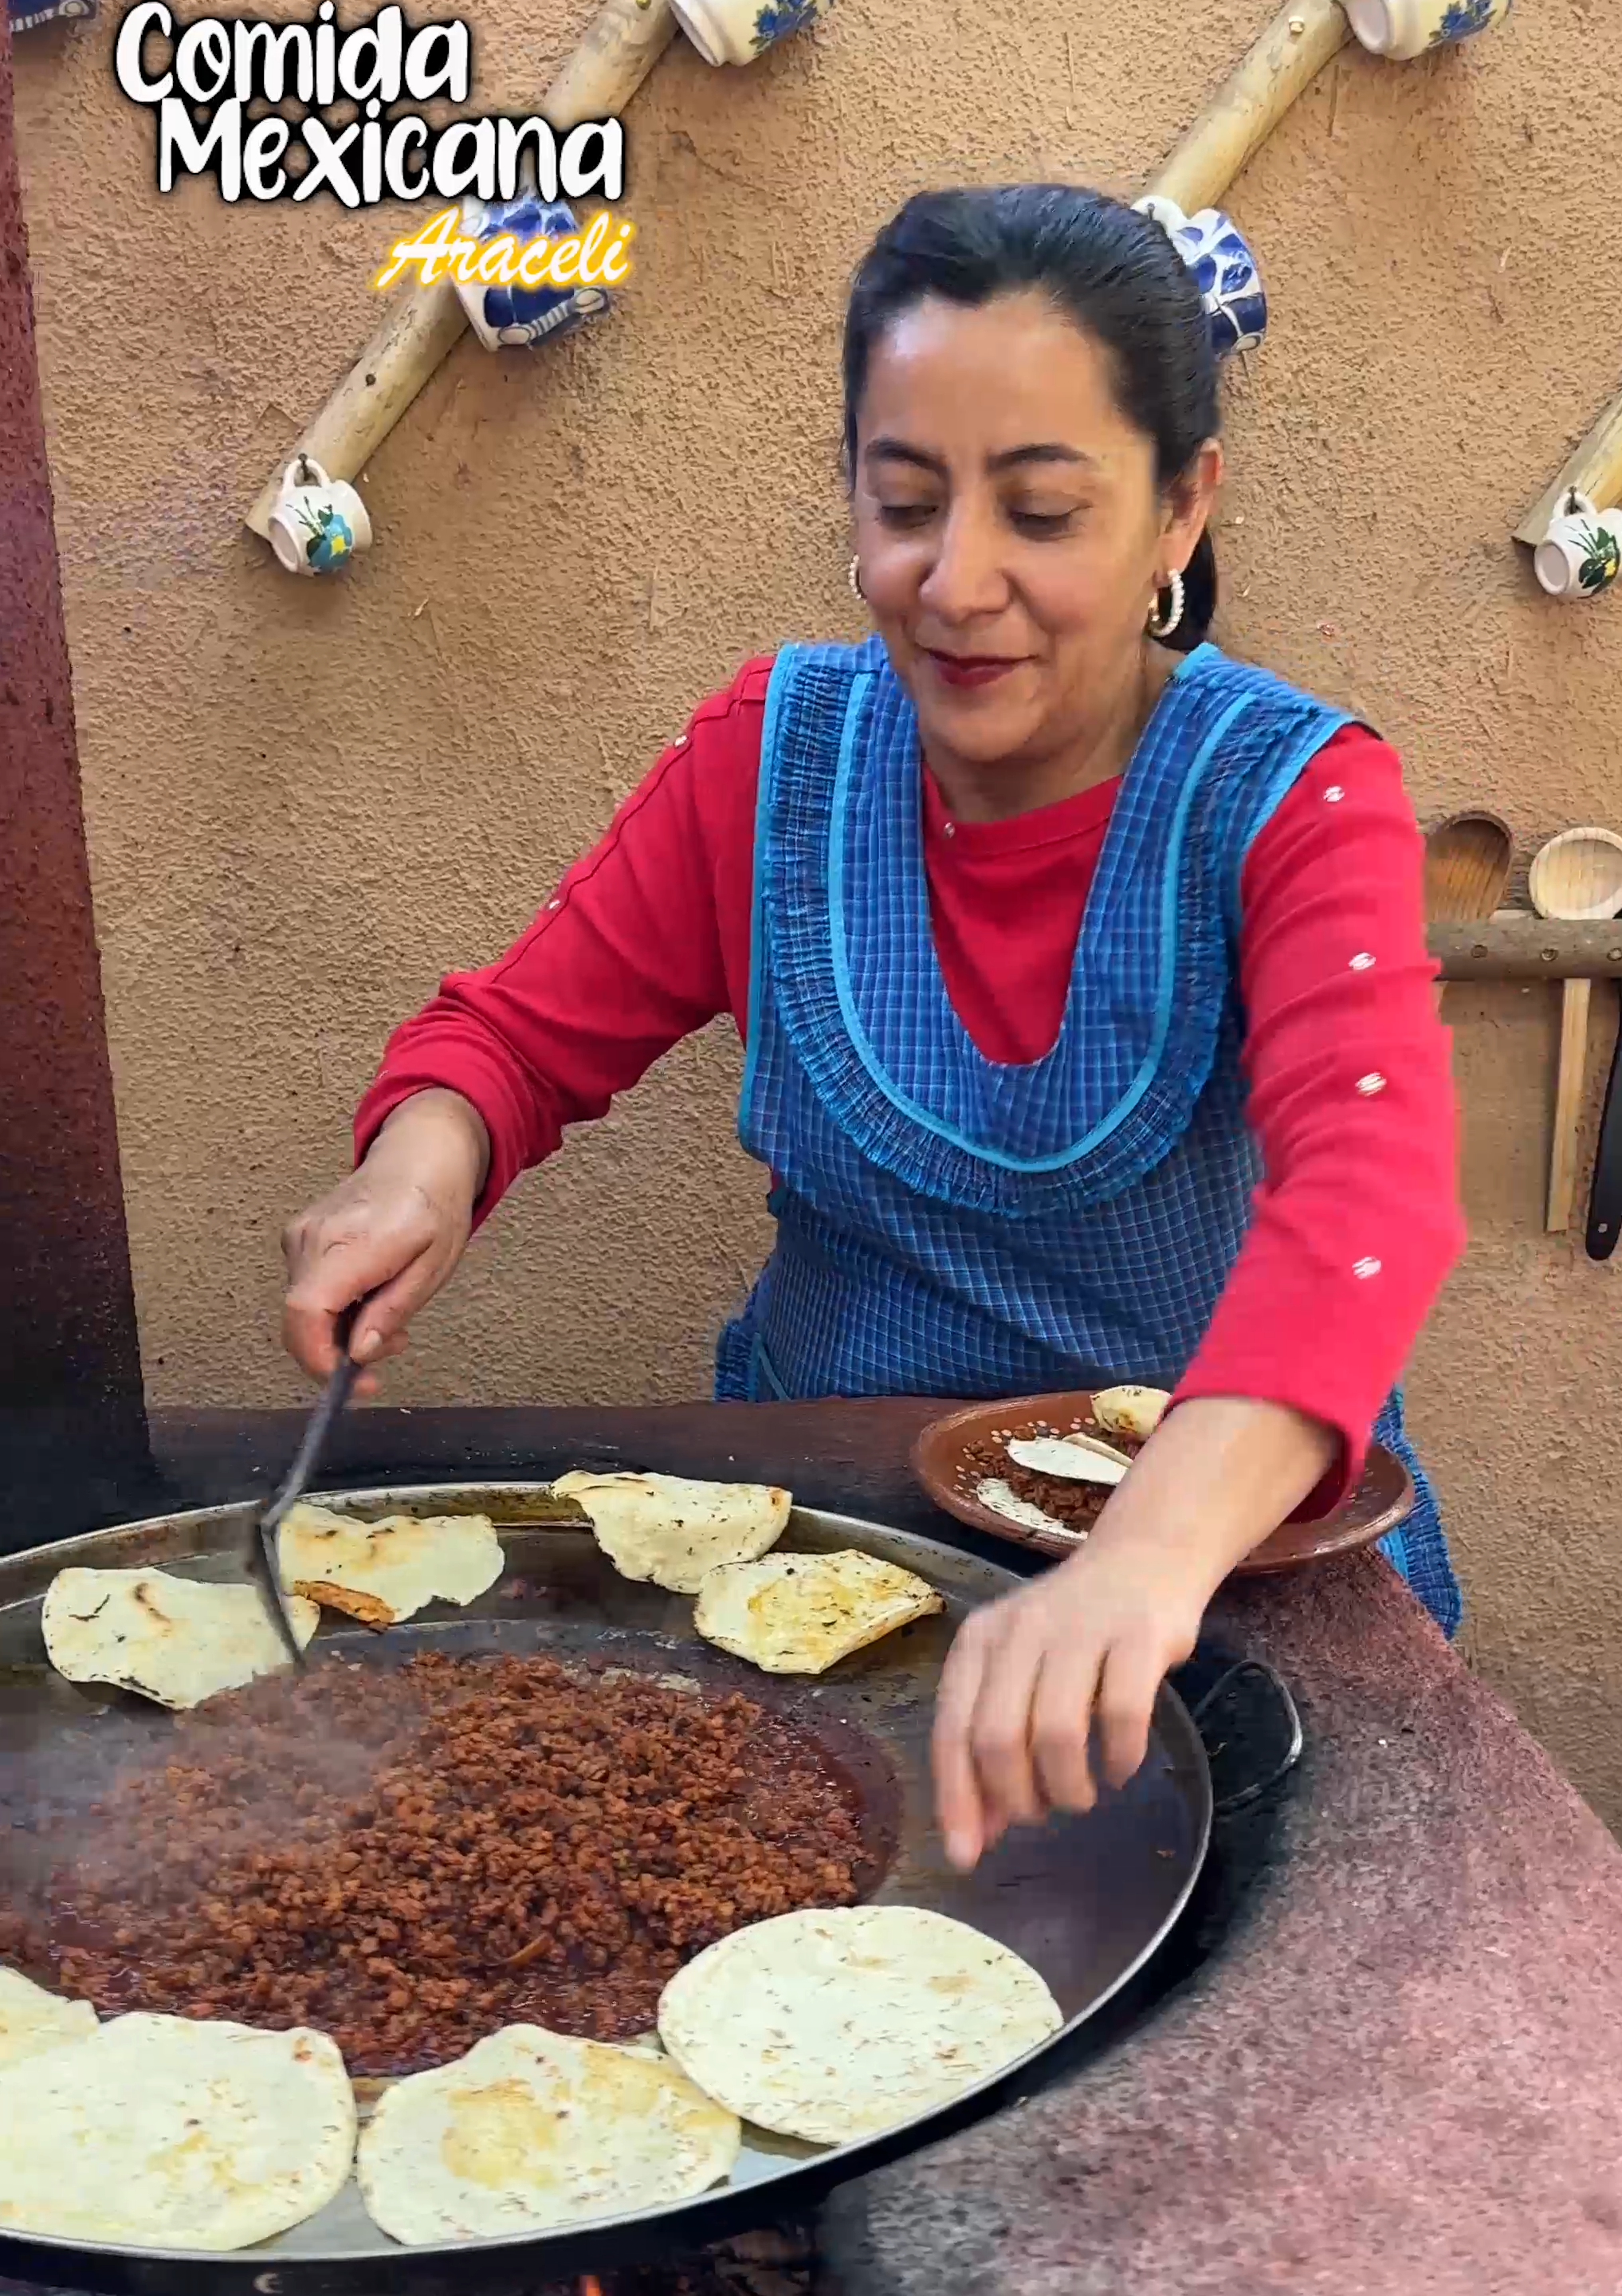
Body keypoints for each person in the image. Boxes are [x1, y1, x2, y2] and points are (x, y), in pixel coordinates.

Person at [282, 184, 1464, 1874]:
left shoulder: (1291, 800)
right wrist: (420, 1171)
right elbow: (516, 1040)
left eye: (1042, 513)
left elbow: (1374, 1195)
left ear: (1180, 510)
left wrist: (1141, 1553)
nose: (955, 580)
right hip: (843, 1564)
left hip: (1223, 1550)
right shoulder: (776, 758)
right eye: (905, 501)